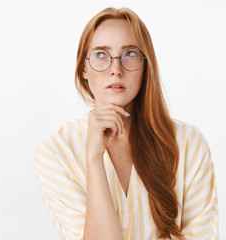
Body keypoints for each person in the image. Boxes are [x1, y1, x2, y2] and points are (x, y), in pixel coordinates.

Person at [34, 7, 219, 240]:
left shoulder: (189, 143)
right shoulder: (57, 151)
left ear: (145, 66)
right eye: (101, 54)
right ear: (83, 68)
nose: (116, 69)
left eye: (129, 53)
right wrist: (93, 158)